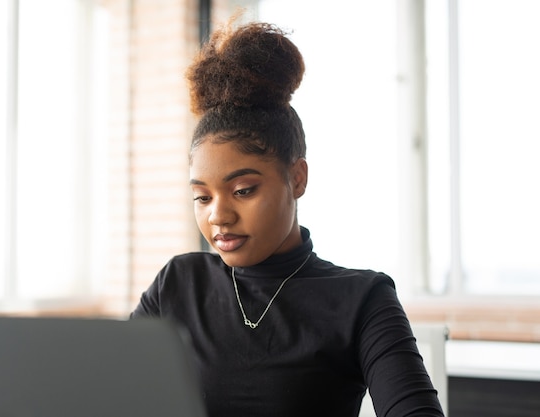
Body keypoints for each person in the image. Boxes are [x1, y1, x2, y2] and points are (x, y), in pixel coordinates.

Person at [131, 17, 445, 417]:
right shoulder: (177, 284)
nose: (219, 216)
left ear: (296, 178)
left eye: (243, 190)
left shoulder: (363, 299)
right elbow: (112, 393)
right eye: (202, 196)